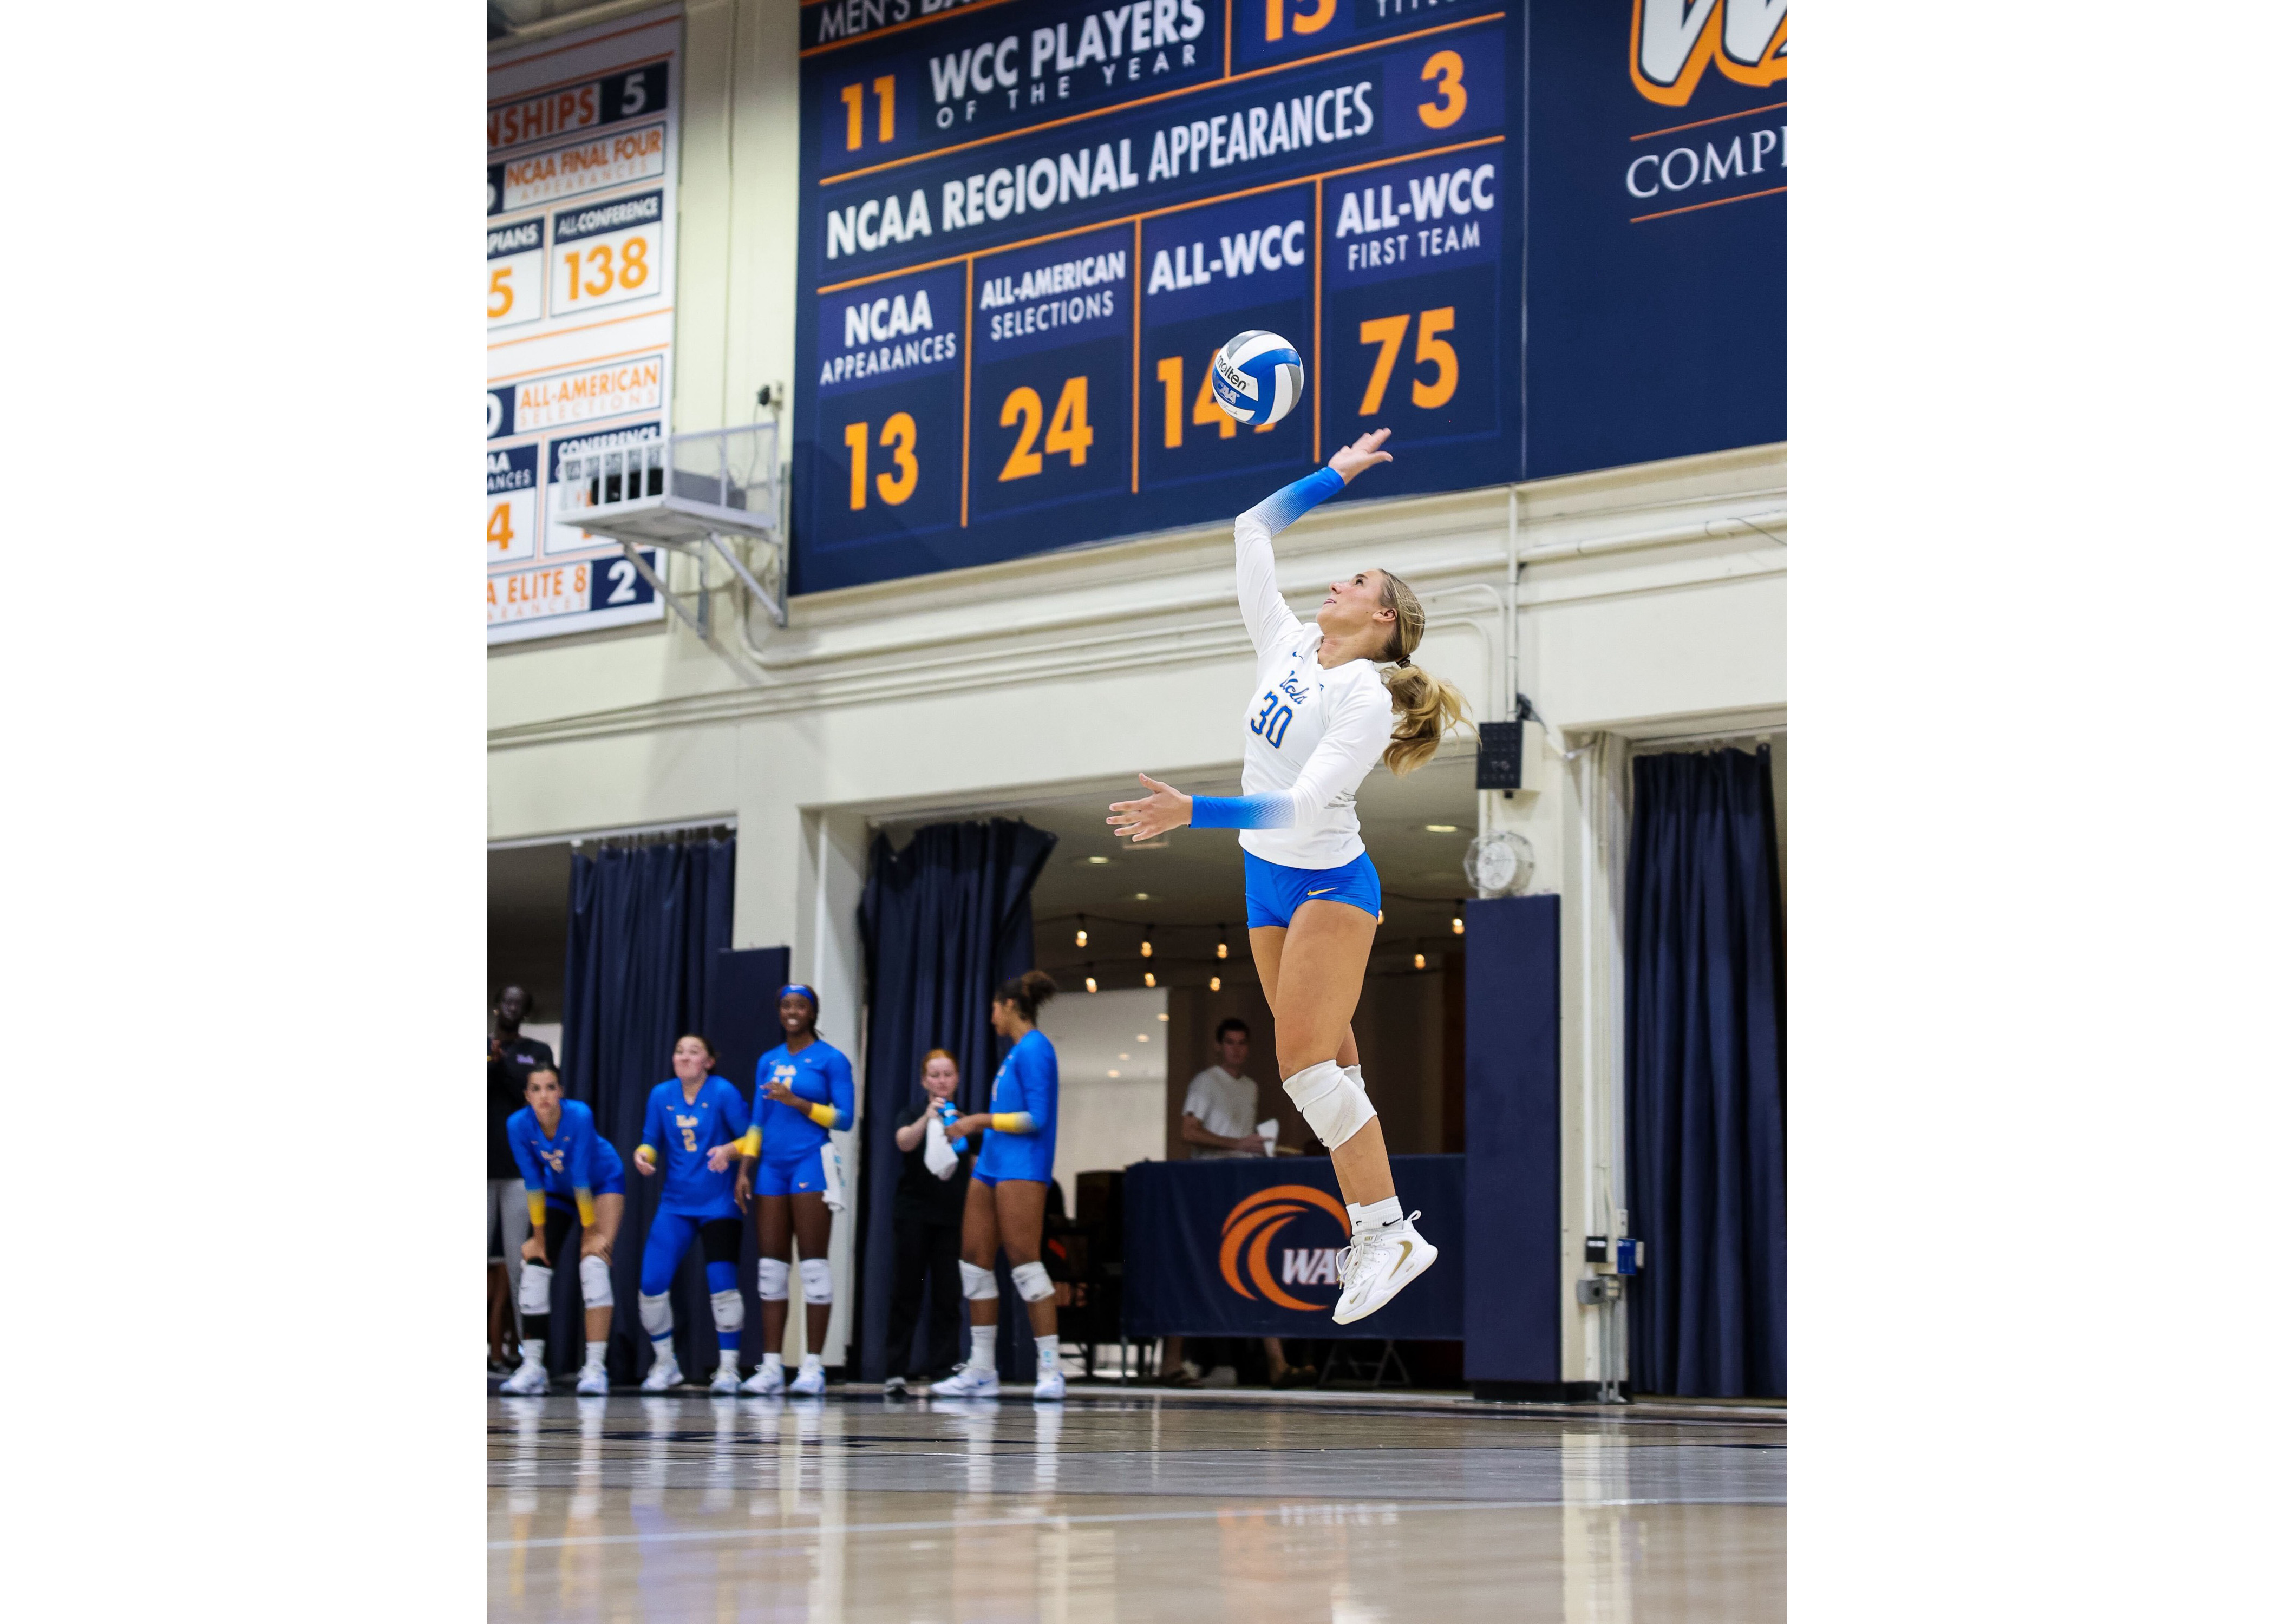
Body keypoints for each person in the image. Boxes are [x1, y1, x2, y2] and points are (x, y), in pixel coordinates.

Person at [1108, 427, 1468, 1324]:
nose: (1336, 582)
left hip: (1328, 885)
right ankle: (1380, 1221)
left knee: (1302, 1067)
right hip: (1264, 882)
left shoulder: (1366, 697)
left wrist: (1197, 810)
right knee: (1331, 1064)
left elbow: (1307, 807)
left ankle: (1386, 1233)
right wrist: (1333, 475)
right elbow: (1249, 528)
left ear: (1381, 618)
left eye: (1357, 582)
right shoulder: (1294, 644)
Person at [933, 972, 1066, 1401]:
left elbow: (1036, 1119)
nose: (990, 1017)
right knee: (973, 1262)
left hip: (1022, 1167)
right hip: (990, 1165)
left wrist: (977, 1121)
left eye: (994, 1008)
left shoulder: (1036, 1049)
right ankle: (981, 1369)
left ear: (1010, 1007)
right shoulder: (1013, 1055)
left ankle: (1050, 1369)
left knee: (1025, 1262)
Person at [1163, 1018, 1316, 1389]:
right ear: (1219, 1046)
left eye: (1242, 1043)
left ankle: (1277, 1363)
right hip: (1209, 1186)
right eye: (1230, 1042)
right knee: (1198, 1268)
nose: (1236, 1049)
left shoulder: (1250, 1087)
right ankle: (1171, 1361)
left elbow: (1240, 1140)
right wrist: (1238, 1145)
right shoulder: (1205, 1082)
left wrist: (1256, 1149)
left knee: (1255, 1263)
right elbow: (1187, 1131)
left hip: (1241, 1184)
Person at [731, 984, 855, 1398]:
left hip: (810, 1163)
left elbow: (844, 1119)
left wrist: (798, 1101)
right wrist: (744, 1169)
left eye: (800, 1006)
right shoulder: (768, 1060)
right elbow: (756, 1122)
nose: (792, 1012)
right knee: (771, 1268)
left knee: (814, 1265)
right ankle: (770, 1367)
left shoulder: (831, 1060)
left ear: (813, 1012)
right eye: (786, 1005)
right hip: (770, 1168)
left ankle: (814, 1367)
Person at [631, 1033, 753, 1394]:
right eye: (679, 1051)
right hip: (676, 1204)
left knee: (723, 1286)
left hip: (719, 1205)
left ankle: (729, 1368)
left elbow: (753, 1137)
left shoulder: (723, 1092)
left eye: (694, 1052)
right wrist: (644, 1155)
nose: (684, 1057)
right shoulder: (661, 1095)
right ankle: (666, 1362)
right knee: (651, 1285)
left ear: (709, 1062)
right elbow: (650, 1140)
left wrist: (729, 1151)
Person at [499, 1064, 625, 1396]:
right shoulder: (517, 1124)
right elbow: (533, 1182)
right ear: (527, 1095)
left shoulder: (580, 1116)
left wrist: (591, 1233)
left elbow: (582, 1175)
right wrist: (539, 1241)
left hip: (601, 1183)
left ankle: (596, 1369)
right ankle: (533, 1367)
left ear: (561, 1092)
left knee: (594, 1264)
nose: (544, 1096)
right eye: (536, 1089)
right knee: (535, 1267)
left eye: (551, 1087)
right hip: (557, 1190)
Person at [882, 1049, 974, 1396]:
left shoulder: (964, 1119)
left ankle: (945, 1369)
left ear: (957, 1078)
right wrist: (928, 1117)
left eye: (948, 1074)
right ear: (924, 1081)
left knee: (948, 1295)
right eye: (934, 1075)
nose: (941, 1081)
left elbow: (975, 1164)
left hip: (951, 1216)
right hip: (914, 1215)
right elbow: (903, 1142)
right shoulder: (911, 1112)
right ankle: (896, 1370)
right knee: (907, 1290)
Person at [488, 986, 555, 1371]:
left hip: (519, 1172)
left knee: (519, 1264)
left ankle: (529, 1357)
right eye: (507, 1001)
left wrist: (502, 1066)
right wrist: (490, 1063)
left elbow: (537, 1097)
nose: (513, 1007)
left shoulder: (537, 1052)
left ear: (526, 1011)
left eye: (520, 1002)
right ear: (497, 1007)